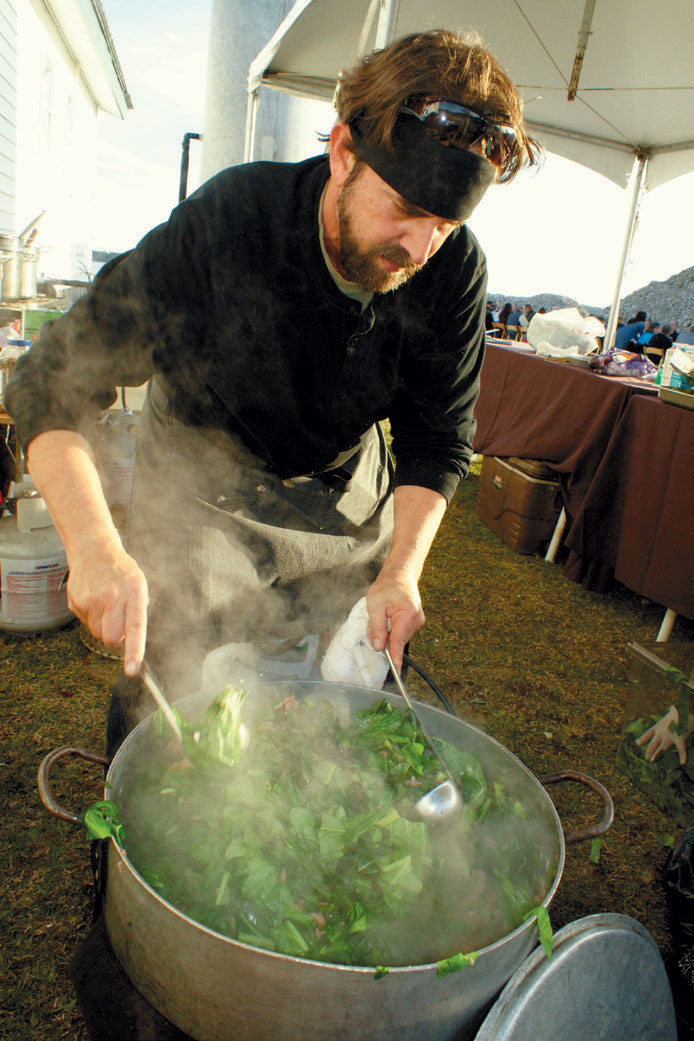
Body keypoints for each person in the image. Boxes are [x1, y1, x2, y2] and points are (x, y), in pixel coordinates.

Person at [5, 29, 540, 754]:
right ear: (343, 151)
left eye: (444, 226)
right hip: (203, 482)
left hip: (345, 490)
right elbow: (51, 382)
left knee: (337, 709)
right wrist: (95, 546)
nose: (419, 249)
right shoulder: (231, 221)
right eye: (405, 209)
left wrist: (401, 572)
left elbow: (437, 436)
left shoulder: (454, 270)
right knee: (175, 695)